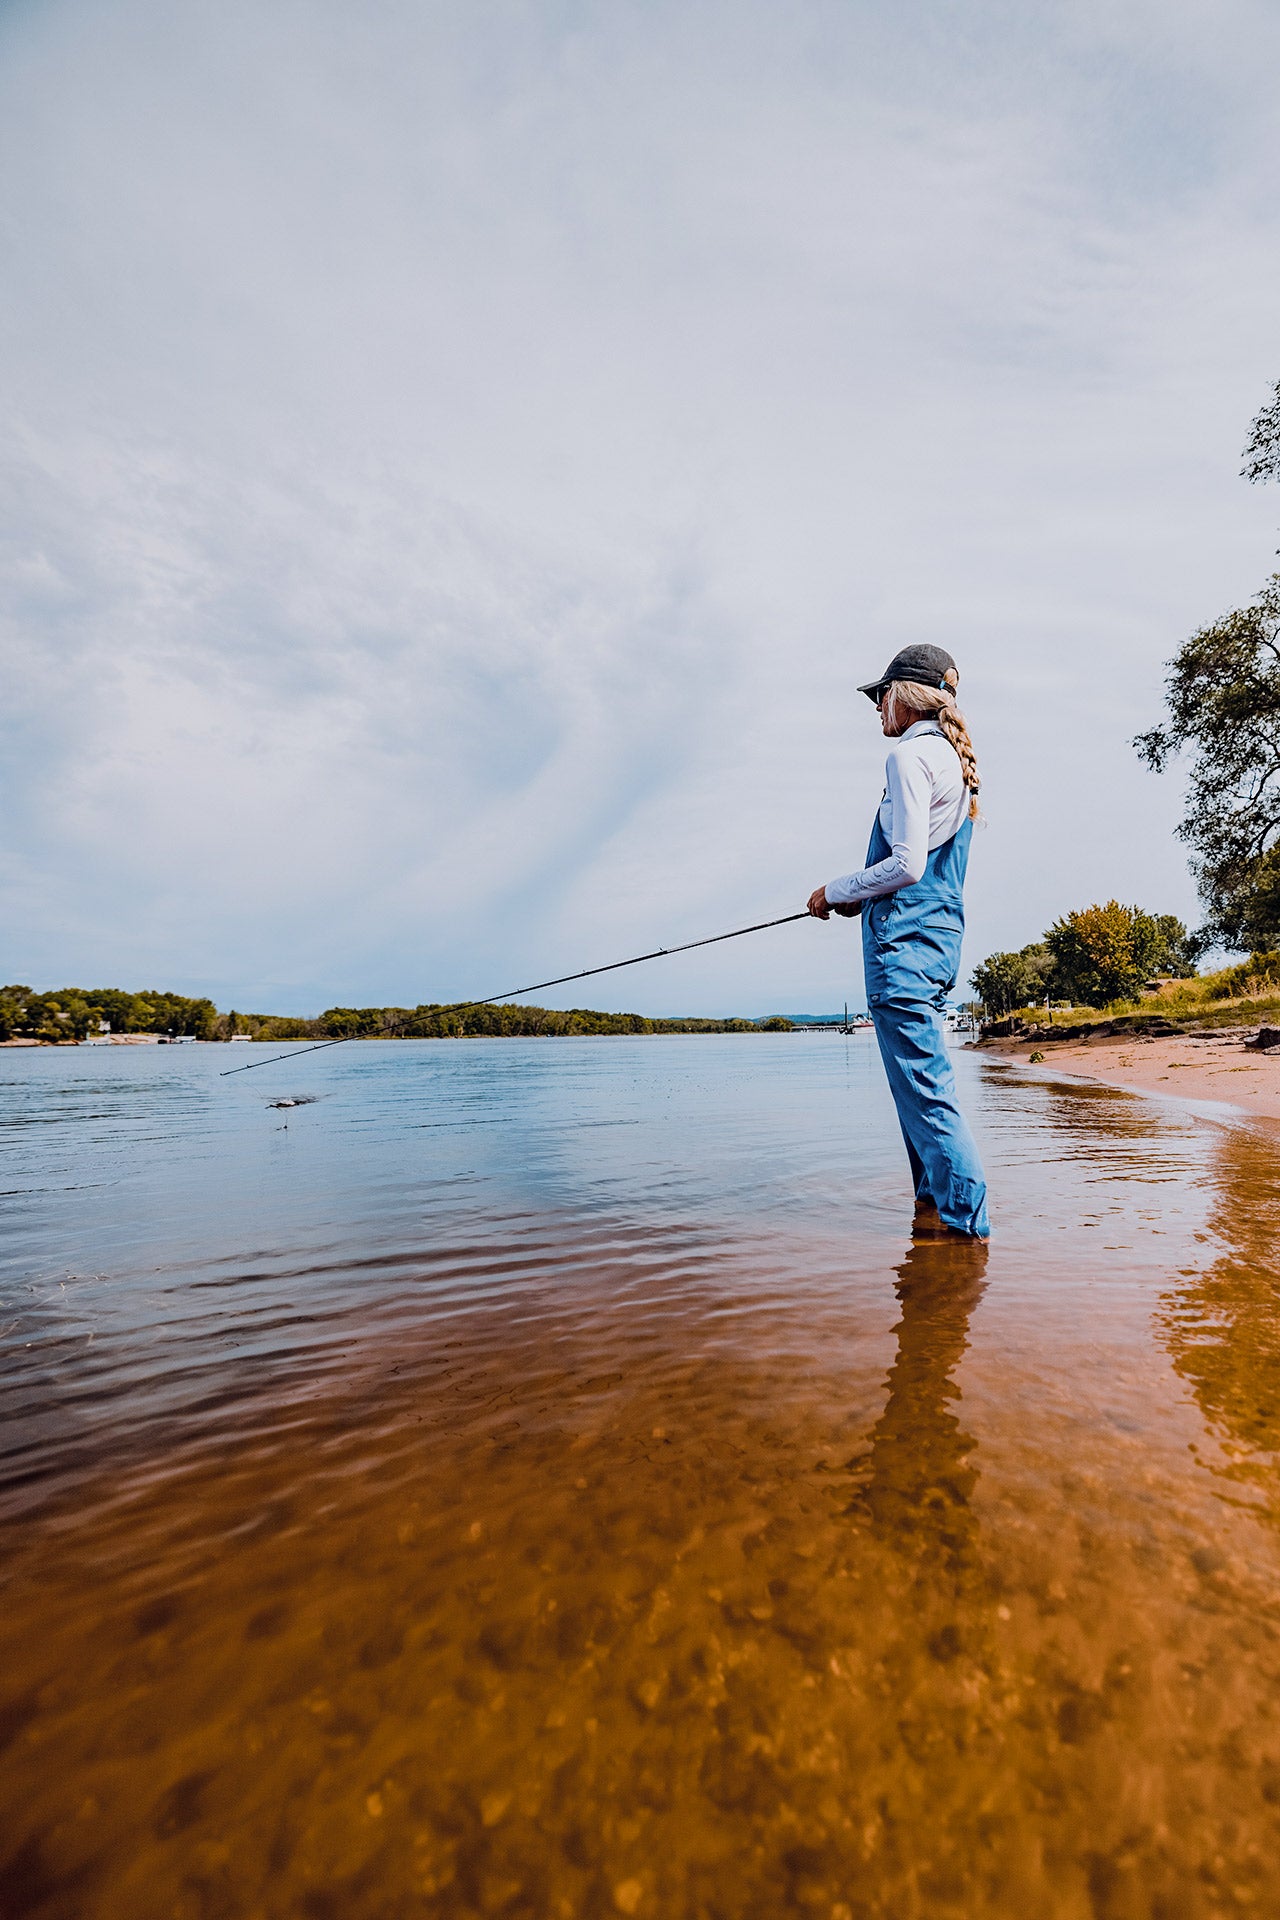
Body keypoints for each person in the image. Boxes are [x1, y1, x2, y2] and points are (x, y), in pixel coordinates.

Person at [807, 644, 989, 1239]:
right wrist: (858, 895)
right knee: (918, 1092)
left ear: (905, 697)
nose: (876, 709)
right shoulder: (951, 761)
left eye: (879, 696)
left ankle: (966, 1240)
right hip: (935, 941)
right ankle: (932, 1223)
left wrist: (836, 890)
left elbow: (907, 865)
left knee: (926, 1096)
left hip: (902, 949)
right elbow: (923, 865)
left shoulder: (910, 759)